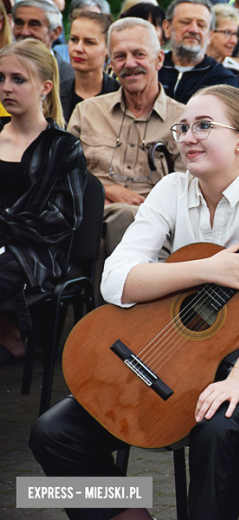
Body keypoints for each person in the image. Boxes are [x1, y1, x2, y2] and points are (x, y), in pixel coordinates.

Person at [30, 84, 239, 520]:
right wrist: (205, 269)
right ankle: (127, 515)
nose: (188, 136)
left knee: (215, 430)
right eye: (183, 127)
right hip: (171, 356)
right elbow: (115, 281)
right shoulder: (172, 189)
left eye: (204, 126)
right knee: (51, 433)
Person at [0, 39, 87, 365]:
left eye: (18, 79)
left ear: (45, 87)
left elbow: (65, 218)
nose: (7, 87)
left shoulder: (63, 146)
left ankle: (11, 335)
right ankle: (7, 332)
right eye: (1, 78)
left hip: (36, 252)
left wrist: (4, 225)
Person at [68, 17, 185, 258]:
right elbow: (66, 175)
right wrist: (107, 190)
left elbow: (190, 187)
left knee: (126, 219)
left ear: (159, 59)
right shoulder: (87, 112)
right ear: (110, 63)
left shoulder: (184, 119)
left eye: (139, 54)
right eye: (120, 57)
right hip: (90, 212)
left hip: (156, 220)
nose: (129, 64)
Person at [159, 0, 238, 105]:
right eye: (185, 22)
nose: (194, 30)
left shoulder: (222, 81)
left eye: (201, 25)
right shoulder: (152, 69)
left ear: (210, 34)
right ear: (167, 27)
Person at [61, 10, 119, 124]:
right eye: (74, 39)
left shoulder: (120, 95)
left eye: (89, 42)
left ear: (108, 48)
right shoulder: (55, 95)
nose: (78, 48)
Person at [12, 0, 75, 85]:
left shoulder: (70, 77)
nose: (24, 32)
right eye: (19, 23)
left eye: (34, 24)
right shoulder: (3, 65)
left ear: (55, 32)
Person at [206, 4, 239, 75]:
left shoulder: (234, 69)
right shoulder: (192, 63)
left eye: (235, 34)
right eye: (227, 32)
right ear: (210, 32)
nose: (234, 41)